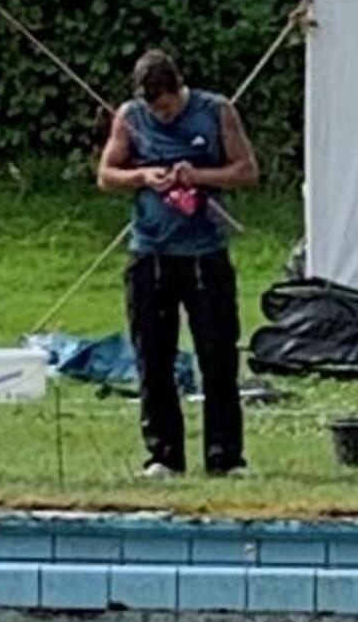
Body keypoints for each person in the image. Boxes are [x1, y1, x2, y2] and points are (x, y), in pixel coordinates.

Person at [97, 49, 259, 478]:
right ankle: (163, 455)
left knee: (218, 356)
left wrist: (198, 176)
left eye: (167, 107)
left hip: (204, 253)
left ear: (179, 89)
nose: (162, 116)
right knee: (153, 357)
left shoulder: (216, 110)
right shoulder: (130, 117)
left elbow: (246, 170)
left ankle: (225, 458)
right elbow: (106, 174)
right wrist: (142, 176)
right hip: (149, 252)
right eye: (155, 109)